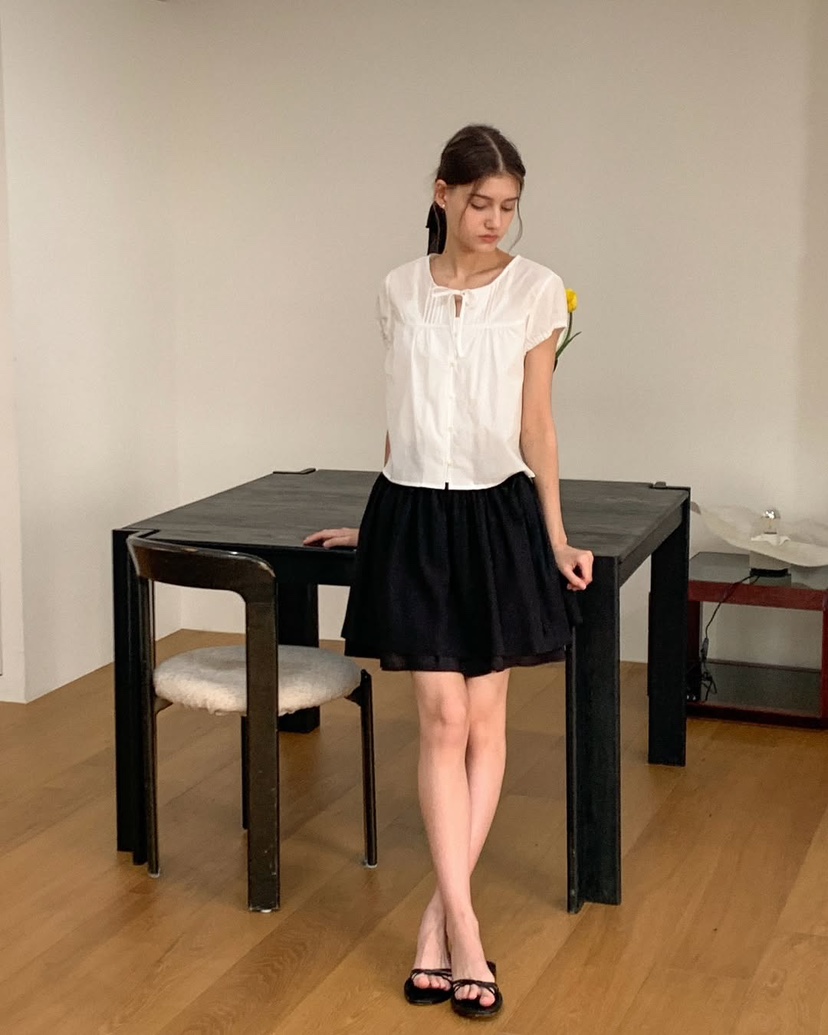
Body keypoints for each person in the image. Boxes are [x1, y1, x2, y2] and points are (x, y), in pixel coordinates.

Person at [303, 124, 593, 1020]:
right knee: (442, 716)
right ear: (442, 194)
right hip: (412, 514)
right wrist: (376, 523)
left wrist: (557, 537)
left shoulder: (537, 291)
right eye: (480, 203)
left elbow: (537, 427)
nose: (495, 220)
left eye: (509, 206)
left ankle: (438, 920)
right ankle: (469, 931)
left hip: (498, 514)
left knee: (486, 719)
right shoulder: (398, 289)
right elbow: (402, 418)